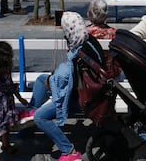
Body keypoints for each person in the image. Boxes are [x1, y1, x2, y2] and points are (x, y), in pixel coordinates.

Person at [28, 12, 99, 161]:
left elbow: (68, 84)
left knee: (40, 117)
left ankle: (69, 151)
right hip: (90, 92)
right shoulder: (89, 41)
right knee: (41, 79)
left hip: (81, 98)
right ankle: (29, 116)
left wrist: (52, 81)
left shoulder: (80, 55)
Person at [86, 0, 121, 78]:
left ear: (89, 14)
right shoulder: (114, 33)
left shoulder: (84, 33)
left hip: (89, 72)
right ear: (105, 15)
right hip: (109, 73)